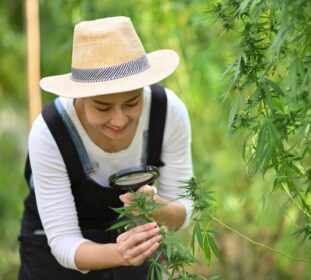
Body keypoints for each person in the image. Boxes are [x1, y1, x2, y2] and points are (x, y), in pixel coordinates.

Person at [18, 16, 193, 280]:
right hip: (53, 257)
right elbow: (64, 241)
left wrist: (157, 209)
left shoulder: (168, 112)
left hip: (134, 245)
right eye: (103, 107)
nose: (119, 119)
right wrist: (119, 254)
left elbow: (183, 207)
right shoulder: (49, 131)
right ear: (80, 95)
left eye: (133, 103)